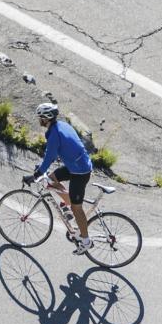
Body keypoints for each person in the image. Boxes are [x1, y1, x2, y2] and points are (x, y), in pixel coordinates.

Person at [29, 101, 94, 252]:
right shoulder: (62, 125)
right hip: (76, 165)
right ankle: (68, 203)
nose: (39, 120)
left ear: (46, 118)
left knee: (77, 208)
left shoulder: (55, 134)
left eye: (40, 117)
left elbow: (50, 155)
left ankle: (86, 241)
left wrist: (36, 174)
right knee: (51, 179)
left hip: (80, 172)